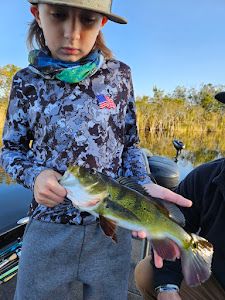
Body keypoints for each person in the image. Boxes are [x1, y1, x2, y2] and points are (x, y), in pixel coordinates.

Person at [0, 0, 191, 299]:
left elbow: (130, 145)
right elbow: (11, 149)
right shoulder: (26, 81)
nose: (72, 34)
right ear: (38, 15)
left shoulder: (120, 76)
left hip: (111, 232)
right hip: (48, 228)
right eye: (59, 16)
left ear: (101, 23)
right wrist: (35, 176)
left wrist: (143, 183)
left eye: (87, 20)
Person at [134, 158, 225, 300]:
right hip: (217, 276)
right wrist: (167, 287)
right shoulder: (206, 176)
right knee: (146, 273)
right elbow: (172, 226)